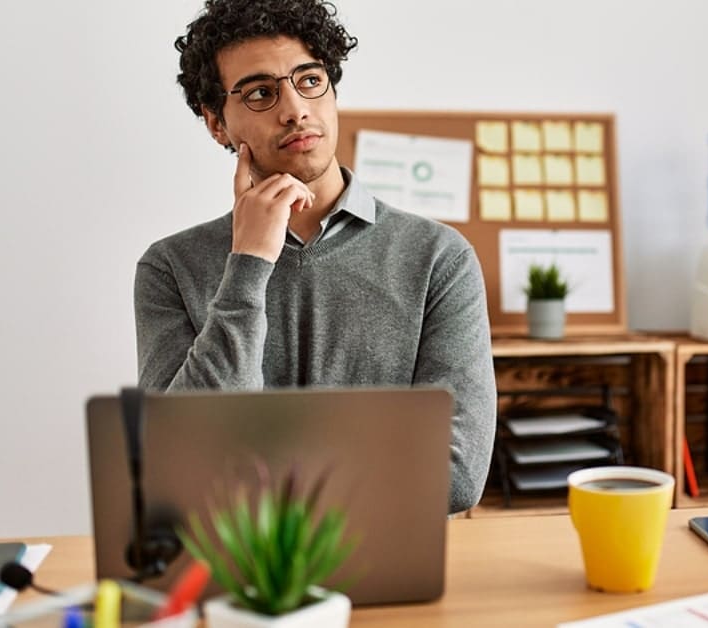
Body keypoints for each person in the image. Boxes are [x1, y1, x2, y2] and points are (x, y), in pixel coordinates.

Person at [135, 0, 496, 513]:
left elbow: (455, 476)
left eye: (309, 80)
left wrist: (254, 469)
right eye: (261, 92)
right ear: (217, 123)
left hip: (395, 569)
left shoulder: (439, 258)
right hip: (236, 576)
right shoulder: (169, 268)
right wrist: (248, 267)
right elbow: (182, 465)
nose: (295, 109)